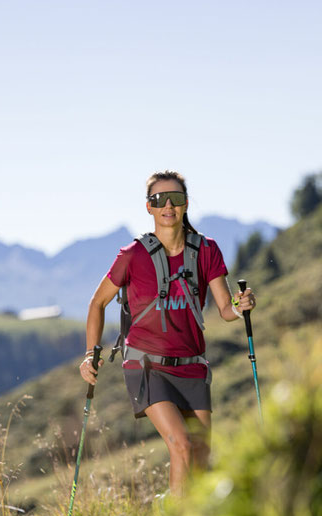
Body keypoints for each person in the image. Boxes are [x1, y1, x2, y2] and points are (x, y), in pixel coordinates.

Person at [79, 170, 255, 497]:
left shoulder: (207, 250)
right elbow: (97, 303)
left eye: (175, 198)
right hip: (146, 366)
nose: (168, 206)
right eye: (159, 200)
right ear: (149, 207)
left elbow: (226, 309)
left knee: (201, 457)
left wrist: (241, 305)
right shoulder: (132, 255)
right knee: (183, 445)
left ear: (186, 203)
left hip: (192, 364)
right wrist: (91, 354)